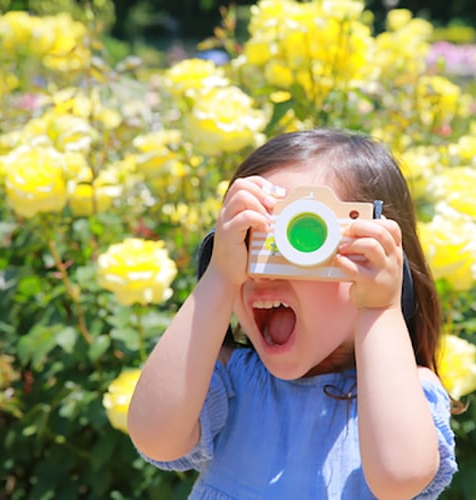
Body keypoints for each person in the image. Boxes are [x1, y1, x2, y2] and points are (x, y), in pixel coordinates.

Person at [127, 128, 458, 499]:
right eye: (251, 237)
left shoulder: (402, 394)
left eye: (305, 239)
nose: (264, 269)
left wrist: (381, 308)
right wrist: (219, 276)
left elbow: (400, 477)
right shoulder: (230, 381)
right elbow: (155, 436)